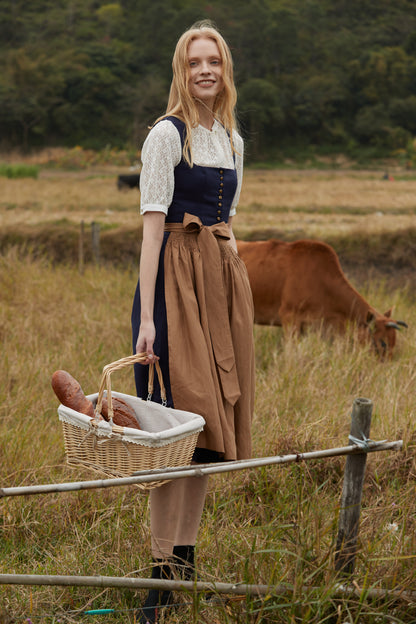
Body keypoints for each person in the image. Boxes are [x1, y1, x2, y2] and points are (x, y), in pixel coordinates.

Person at [131, 19, 255, 623]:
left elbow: (230, 223)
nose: (205, 70)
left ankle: (186, 565)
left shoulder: (231, 140)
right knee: (174, 436)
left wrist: (235, 297)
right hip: (173, 290)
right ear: (181, 70)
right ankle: (157, 580)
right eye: (194, 62)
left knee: (206, 433)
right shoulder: (166, 135)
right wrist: (149, 315)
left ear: (225, 69)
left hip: (219, 289)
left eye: (214, 61)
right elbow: (153, 229)